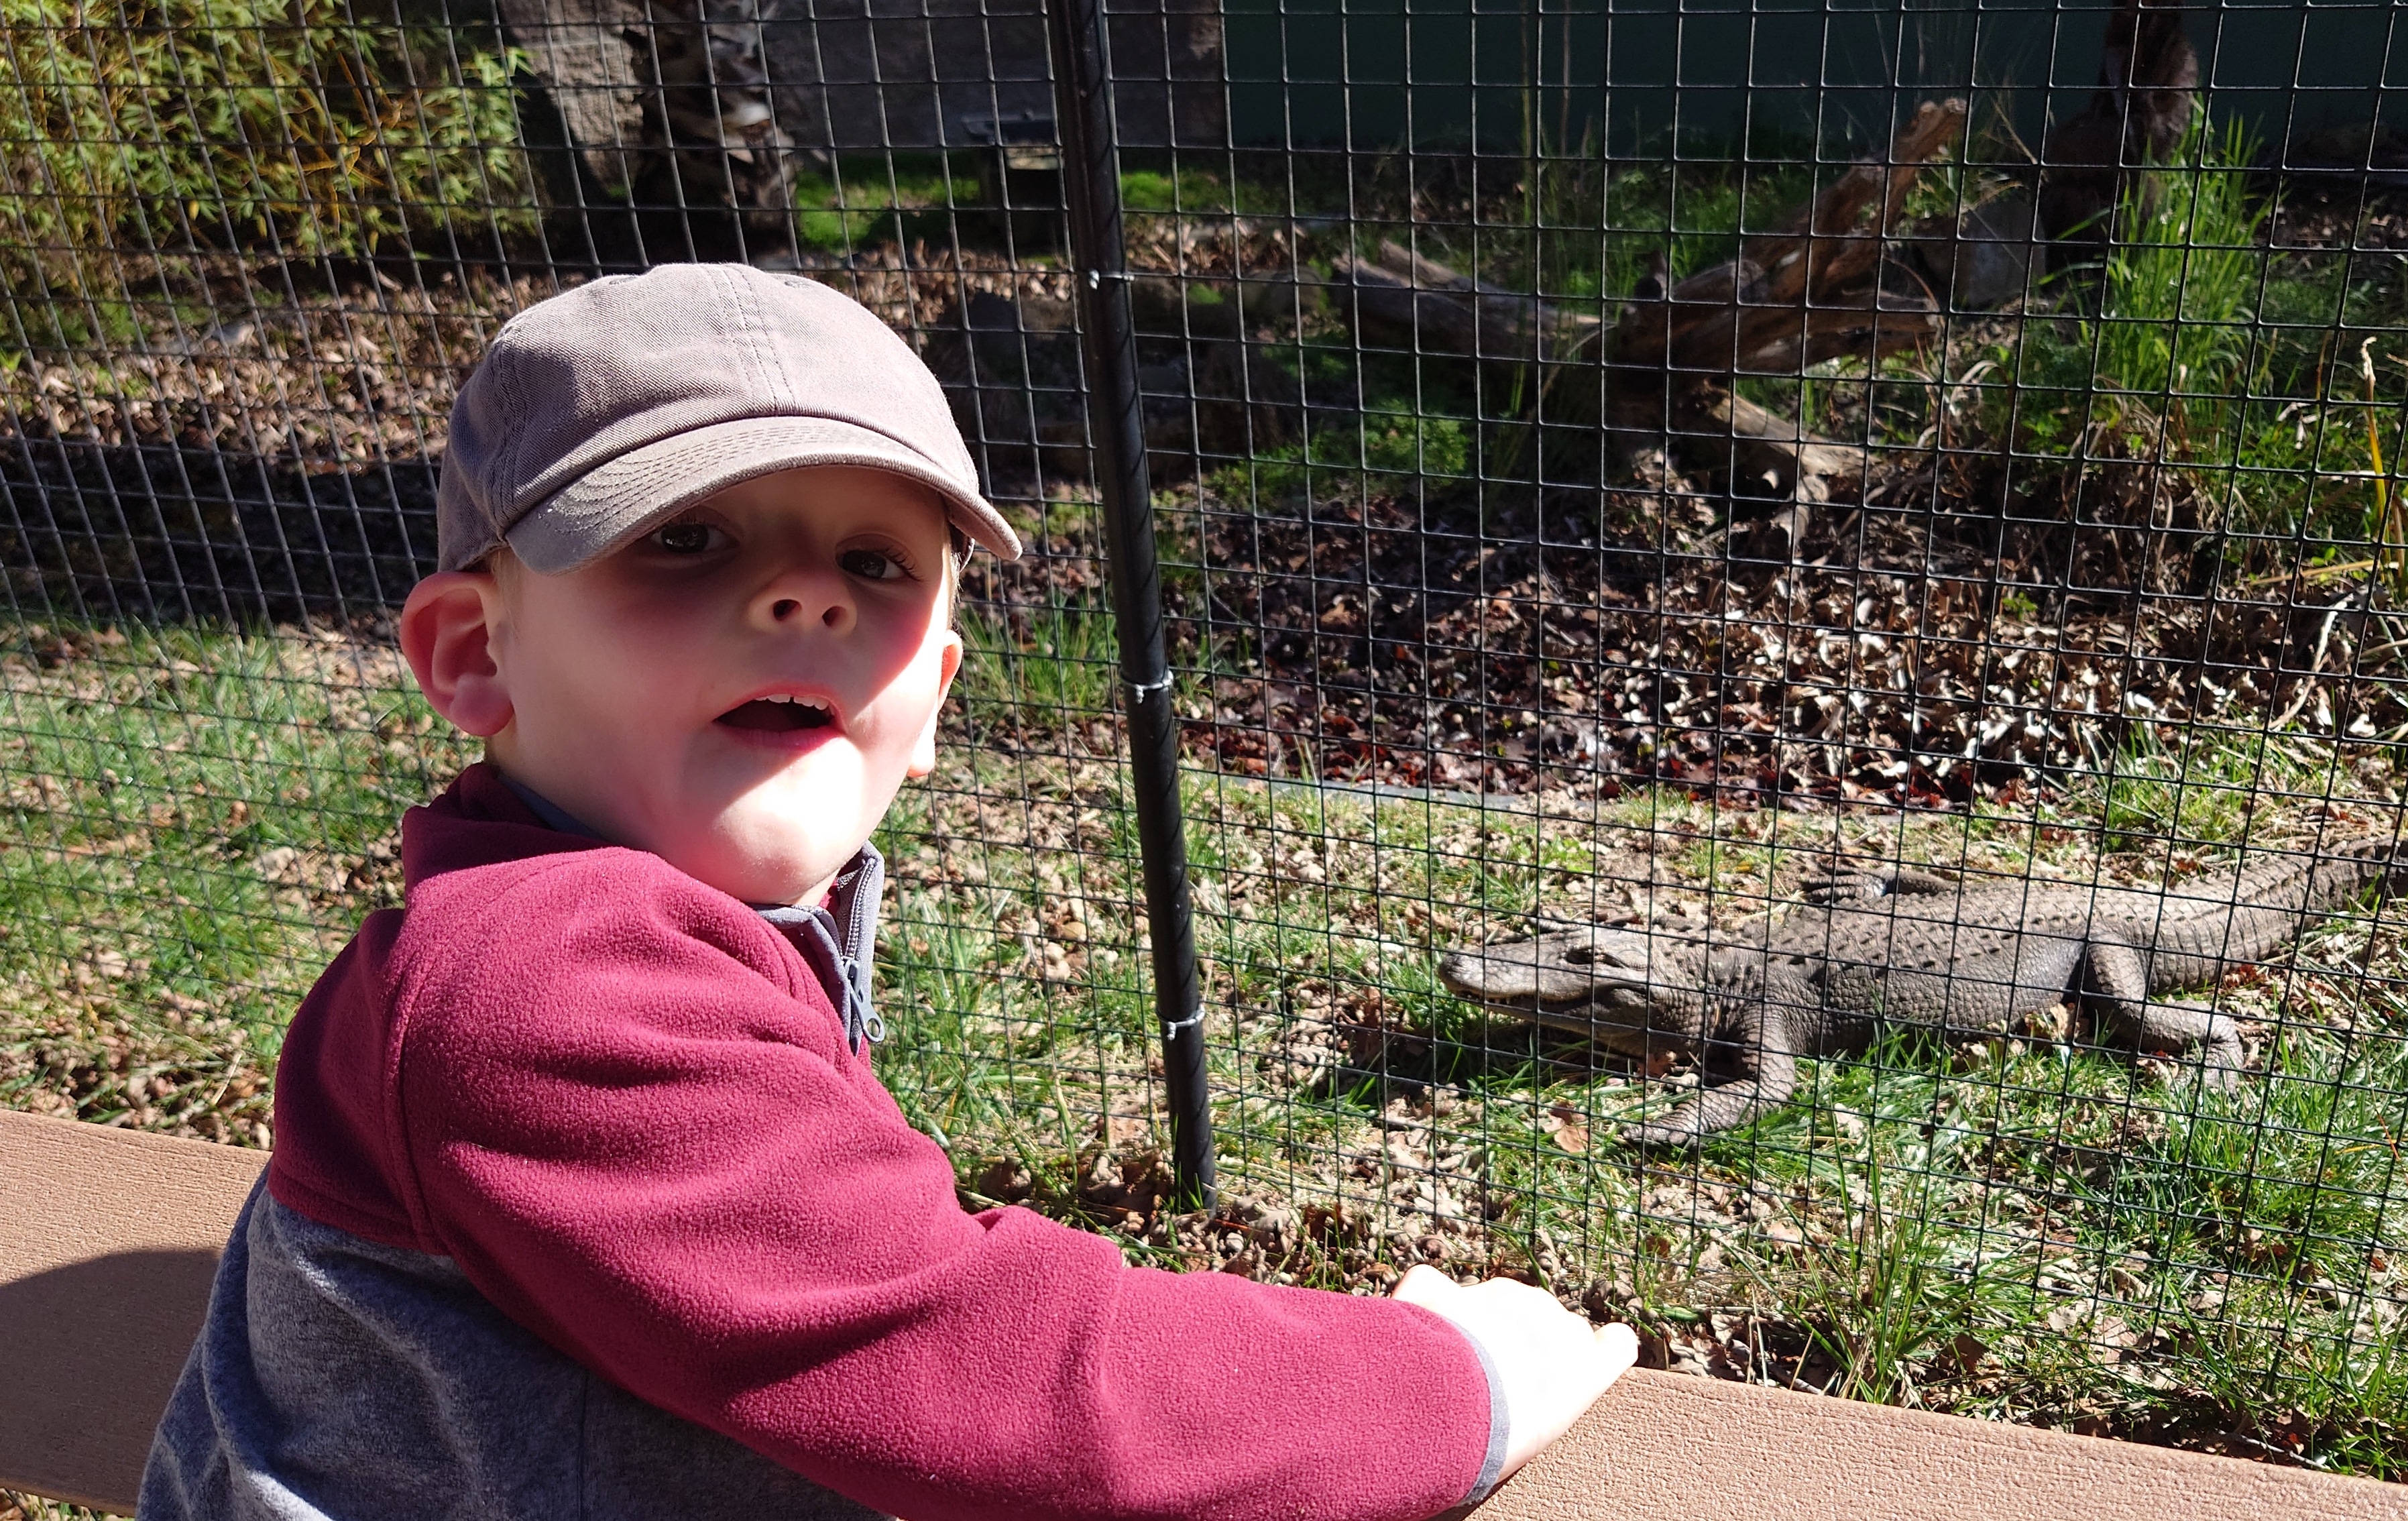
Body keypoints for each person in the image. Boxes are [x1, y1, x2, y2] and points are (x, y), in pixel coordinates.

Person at [139, 262, 1636, 1521]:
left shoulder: (629, 936)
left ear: (932, 702)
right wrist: (1457, 1382)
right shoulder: (545, 980)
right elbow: (995, 1375)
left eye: (876, 559)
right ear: (475, 654)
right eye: (685, 539)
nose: (808, 595)